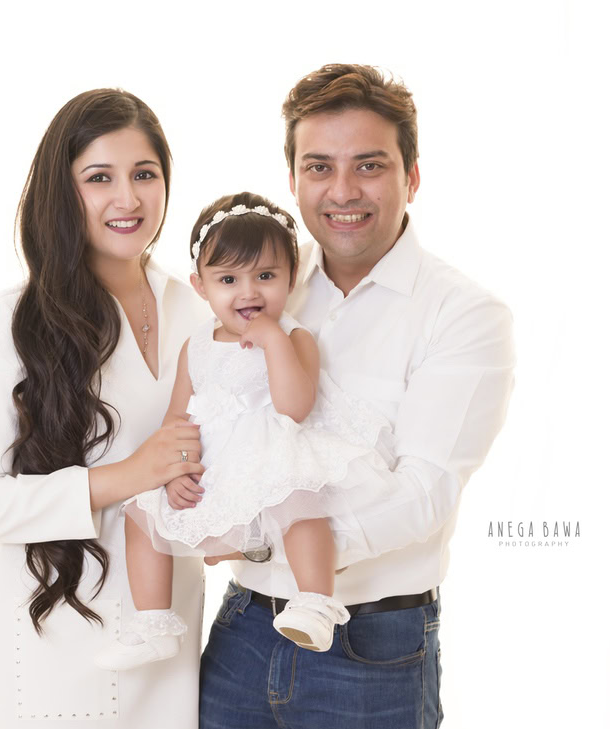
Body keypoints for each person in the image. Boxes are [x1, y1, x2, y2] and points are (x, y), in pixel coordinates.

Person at [197, 64, 517, 729]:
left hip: (373, 647)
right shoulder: (258, 289)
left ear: (411, 176)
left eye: (368, 166)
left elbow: (424, 493)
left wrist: (258, 538)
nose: (342, 191)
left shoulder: (461, 314)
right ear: (293, 178)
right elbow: (215, 413)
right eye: (320, 167)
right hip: (245, 628)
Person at [0, 89, 210, 729]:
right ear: (64, 192)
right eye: (100, 177)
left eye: (145, 173)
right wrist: (126, 474)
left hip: (166, 633)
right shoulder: (13, 321)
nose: (128, 197)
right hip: (54, 635)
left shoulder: (198, 307)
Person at [94, 192, 395, 672]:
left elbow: (295, 407)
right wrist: (175, 474)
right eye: (228, 279)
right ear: (201, 286)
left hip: (275, 449)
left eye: (266, 276)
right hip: (219, 464)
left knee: (299, 501)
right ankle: (152, 623)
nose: (249, 292)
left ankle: (314, 601)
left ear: (291, 277)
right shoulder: (197, 344)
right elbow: (179, 420)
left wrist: (274, 341)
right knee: (140, 514)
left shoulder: (296, 336)